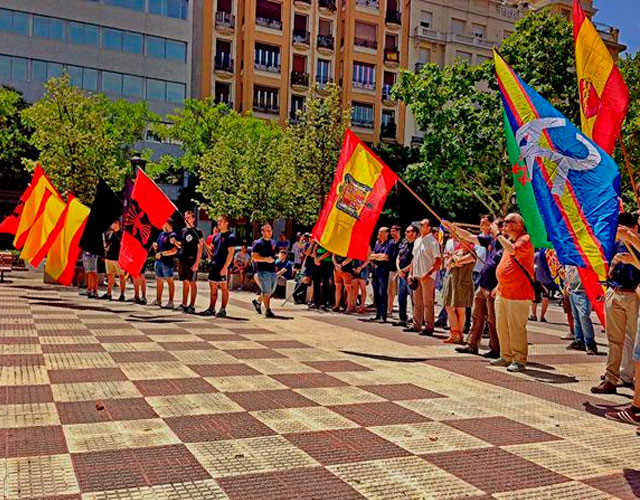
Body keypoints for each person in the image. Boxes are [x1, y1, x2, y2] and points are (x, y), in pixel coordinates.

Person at [592, 213, 640, 394]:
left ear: (633, 228)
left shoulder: (636, 243)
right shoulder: (614, 244)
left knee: (635, 341)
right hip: (615, 292)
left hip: (634, 295)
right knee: (614, 340)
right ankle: (611, 377)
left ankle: (633, 380)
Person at [448, 219, 504, 358]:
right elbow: (469, 236)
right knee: (476, 316)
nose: (490, 228)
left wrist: (498, 286)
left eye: (494, 225)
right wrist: (453, 228)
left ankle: (496, 349)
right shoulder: (490, 241)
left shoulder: (506, 244)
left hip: (493, 287)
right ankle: (472, 344)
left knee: (492, 320)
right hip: (483, 285)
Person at [490, 213, 534, 372]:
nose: (503, 225)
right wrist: (499, 284)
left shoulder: (525, 240)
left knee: (516, 328)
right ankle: (505, 355)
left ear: (517, 224)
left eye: (506, 222)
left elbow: (513, 251)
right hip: (503, 291)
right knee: (502, 326)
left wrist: (497, 234)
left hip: (519, 293)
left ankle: (519, 359)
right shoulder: (509, 241)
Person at [406, 219, 442, 335]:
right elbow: (414, 258)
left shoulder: (433, 242)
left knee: (428, 302)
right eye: (420, 225)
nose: (420, 226)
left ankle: (429, 327)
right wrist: (410, 273)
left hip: (427, 276)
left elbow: (438, 261)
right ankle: (416, 325)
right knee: (417, 301)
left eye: (423, 225)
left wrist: (428, 273)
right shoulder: (417, 241)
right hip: (416, 274)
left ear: (429, 227)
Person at [441, 243, 476, 344]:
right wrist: (453, 260)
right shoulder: (458, 252)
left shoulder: (472, 254)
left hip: (463, 283)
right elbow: (447, 264)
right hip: (452, 281)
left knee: (460, 309)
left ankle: (457, 334)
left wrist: (453, 257)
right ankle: (456, 333)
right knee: (449, 307)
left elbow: (459, 261)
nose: (462, 243)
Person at [203, 215, 236, 317]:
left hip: (223, 266)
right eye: (218, 221)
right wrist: (203, 243)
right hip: (214, 265)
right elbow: (212, 251)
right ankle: (211, 308)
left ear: (226, 223)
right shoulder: (216, 236)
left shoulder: (231, 236)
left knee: (223, 287)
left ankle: (222, 309)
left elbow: (231, 253)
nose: (218, 223)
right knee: (212, 286)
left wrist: (225, 267)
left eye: (221, 221)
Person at [564, 265, 597, 354]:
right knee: (577, 317)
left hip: (583, 290)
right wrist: (568, 284)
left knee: (584, 317)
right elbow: (570, 271)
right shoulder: (573, 258)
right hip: (573, 289)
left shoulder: (585, 257)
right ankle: (579, 340)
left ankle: (590, 344)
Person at [176, 211, 204, 314]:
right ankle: (184, 304)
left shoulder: (198, 231)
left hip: (191, 259)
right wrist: (175, 242)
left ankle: (192, 305)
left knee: (192, 282)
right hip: (183, 259)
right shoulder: (183, 231)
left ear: (193, 219)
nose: (186, 219)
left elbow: (200, 248)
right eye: (185, 217)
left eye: (188, 217)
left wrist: (197, 262)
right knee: (185, 282)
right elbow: (182, 245)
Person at [393, 225, 417, 327]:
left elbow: (415, 260)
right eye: (406, 231)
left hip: (411, 275)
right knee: (401, 297)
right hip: (401, 274)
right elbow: (399, 256)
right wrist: (399, 269)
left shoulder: (417, 244)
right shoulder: (404, 243)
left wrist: (404, 270)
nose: (405, 233)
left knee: (414, 299)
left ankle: (416, 319)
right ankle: (402, 318)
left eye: (408, 231)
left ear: (414, 233)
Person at [369, 227, 395, 323]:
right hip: (376, 269)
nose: (379, 234)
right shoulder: (377, 243)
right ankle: (378, 314)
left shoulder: (390, 243)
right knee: (377, 293)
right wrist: (377, 257)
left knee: (382, 293)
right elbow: (371, 256)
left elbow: (386, 257)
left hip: (384, 270)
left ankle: (383, 316)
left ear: (386, 233)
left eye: (381, 232)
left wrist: (376, 257)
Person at [251, 224, 278, 318]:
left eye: (270, 230)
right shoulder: (258, 243)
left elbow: (275, 254)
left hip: (272, 270)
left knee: (270, 291)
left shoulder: (273, 243)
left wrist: (277, 257)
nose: (269, 232)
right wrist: (265, 259)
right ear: (262, 232)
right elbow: (254, 257)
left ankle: (257, 301)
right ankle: (268, 310)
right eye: (267, 230)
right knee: (267, 292)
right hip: (263, 270)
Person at [152, 220, 178, 309]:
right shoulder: (161, 234)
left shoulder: (172, 235)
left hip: (167, 262)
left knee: (170, 282)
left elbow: (174, 250)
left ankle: (171, 301)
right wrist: (155, 245)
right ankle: (158, 300)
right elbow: (158, 244)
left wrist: (162, 253)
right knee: (159, 281)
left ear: (167, 224)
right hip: (158, 261)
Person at [529, 249, 556, 322]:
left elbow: (532, 267)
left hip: (537, 279)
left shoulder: (536, 255)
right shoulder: (550, 254)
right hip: (548, 280)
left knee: (535, 298)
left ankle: (534, 315)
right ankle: (542, 316)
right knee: (545, 298)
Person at [102, 220, 126, 301]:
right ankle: (109, 293)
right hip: (109, 257)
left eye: (115, 223)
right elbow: (106, 244)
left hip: (118, 259)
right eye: (112, 223)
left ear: (119, 224)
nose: (113, 225)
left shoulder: (122, 234)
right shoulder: (109, 233)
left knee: (121, 276)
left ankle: (122, 294)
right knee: (110, 276)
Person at [310, 243, 333, 310]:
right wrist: (315, 258)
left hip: (327, 263)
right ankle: (316, 302)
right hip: (317, 263)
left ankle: (324, 302)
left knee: (326, 283)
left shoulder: (329, 242)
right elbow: (314, 250)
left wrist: (319, 258)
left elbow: (329, 252)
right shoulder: (318, 242)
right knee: (316, 282)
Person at [386, 225, 402, 320]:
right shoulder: (390, 242)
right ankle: (389, 310)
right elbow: (387, 255)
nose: (392, 233)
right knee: (390, 291)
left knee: (401, 292)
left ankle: (401, 312)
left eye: (394, 231)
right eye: (391, 231)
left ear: (398, 231)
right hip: (391, 269)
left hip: (400, 270)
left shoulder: (403, 242)